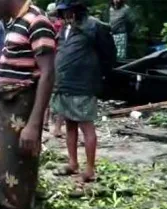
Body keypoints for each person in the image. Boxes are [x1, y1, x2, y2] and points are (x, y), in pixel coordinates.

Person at [0, 0, 56, 209]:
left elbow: (48, 74)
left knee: (19, 174)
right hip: (7, 111)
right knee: (6, 172)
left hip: (22, 113)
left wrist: (34, 124)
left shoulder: (37, 22)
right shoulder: (16, 22)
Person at [52, 0, 116, 183]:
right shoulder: (65, 29)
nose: (65, 15)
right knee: (70, 124)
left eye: (68, 11)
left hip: (83, 85)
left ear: (77, 10)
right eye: (63, 13)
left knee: (86, 126)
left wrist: (100, 75)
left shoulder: (93, 26)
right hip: (65, 84)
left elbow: (108, 56)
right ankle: (73, 163)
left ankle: (90, 169)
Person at [45, 2, 66, 138]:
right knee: (61, 94)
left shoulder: (46, 26)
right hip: (59, 63)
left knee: (48, 93)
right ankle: (56, 127)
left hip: (49, 63)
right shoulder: (62, 27)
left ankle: (46, 122)